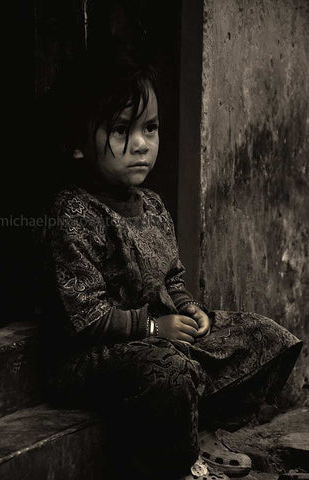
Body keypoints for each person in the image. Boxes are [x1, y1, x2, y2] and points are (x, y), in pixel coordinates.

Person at [41, 55, 302, 480]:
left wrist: (188, 308)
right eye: (121, 130)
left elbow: (172, 278)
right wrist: (151, 329)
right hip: (96, 356)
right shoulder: (74, 213)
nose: (142, 144)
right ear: (77, 142)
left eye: (150, 128)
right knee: (170, 370)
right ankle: (180, 464)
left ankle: (202, 428)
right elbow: (84, 316)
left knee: (263, 336)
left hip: (163, 337)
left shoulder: (154, 205)